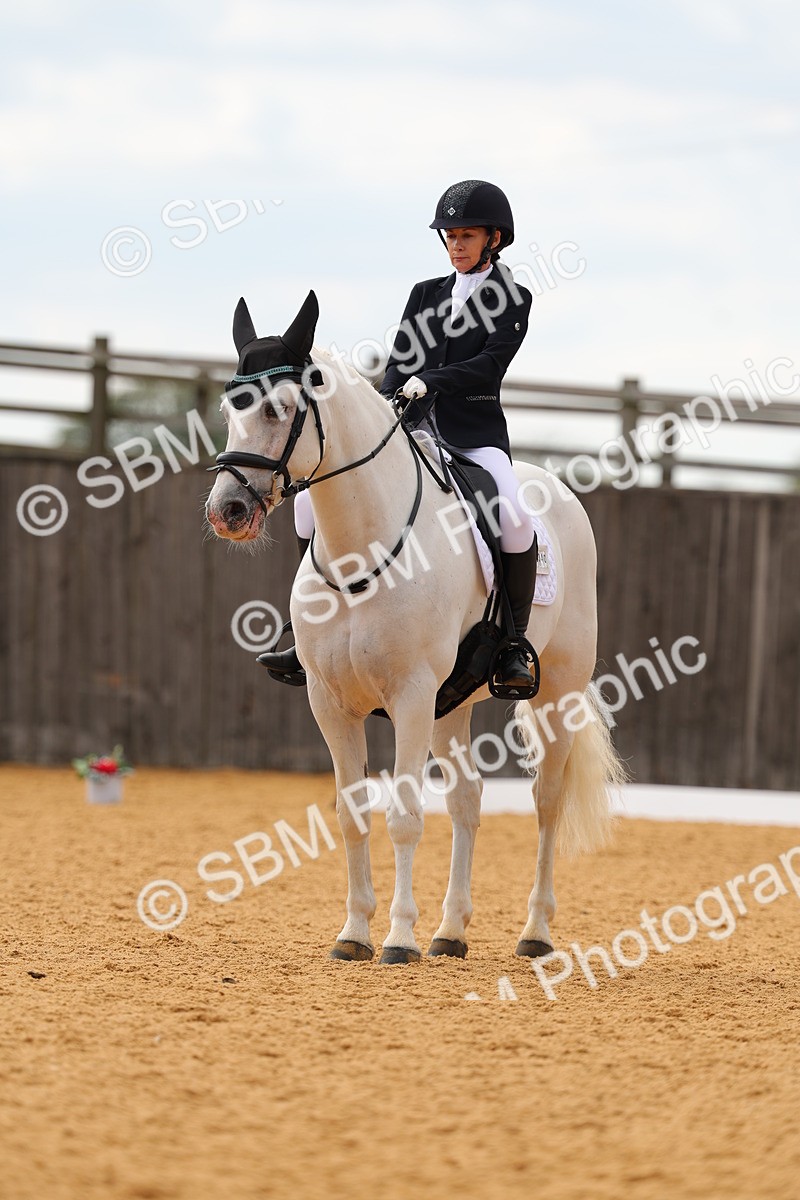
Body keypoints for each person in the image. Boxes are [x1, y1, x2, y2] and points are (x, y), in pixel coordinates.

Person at [260, 179, 537, 690]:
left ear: (494, 239)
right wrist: (387, 401)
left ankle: (514, 643)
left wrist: (429, 381)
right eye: (450, 235)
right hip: (409, 428)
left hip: (473, 435)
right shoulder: (424, 294)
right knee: (304, 504)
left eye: (467, 236)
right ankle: (306, 629)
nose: (456, 244)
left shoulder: (513, 299)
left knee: (515, 519)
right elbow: (399, 360)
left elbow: (489, 365)